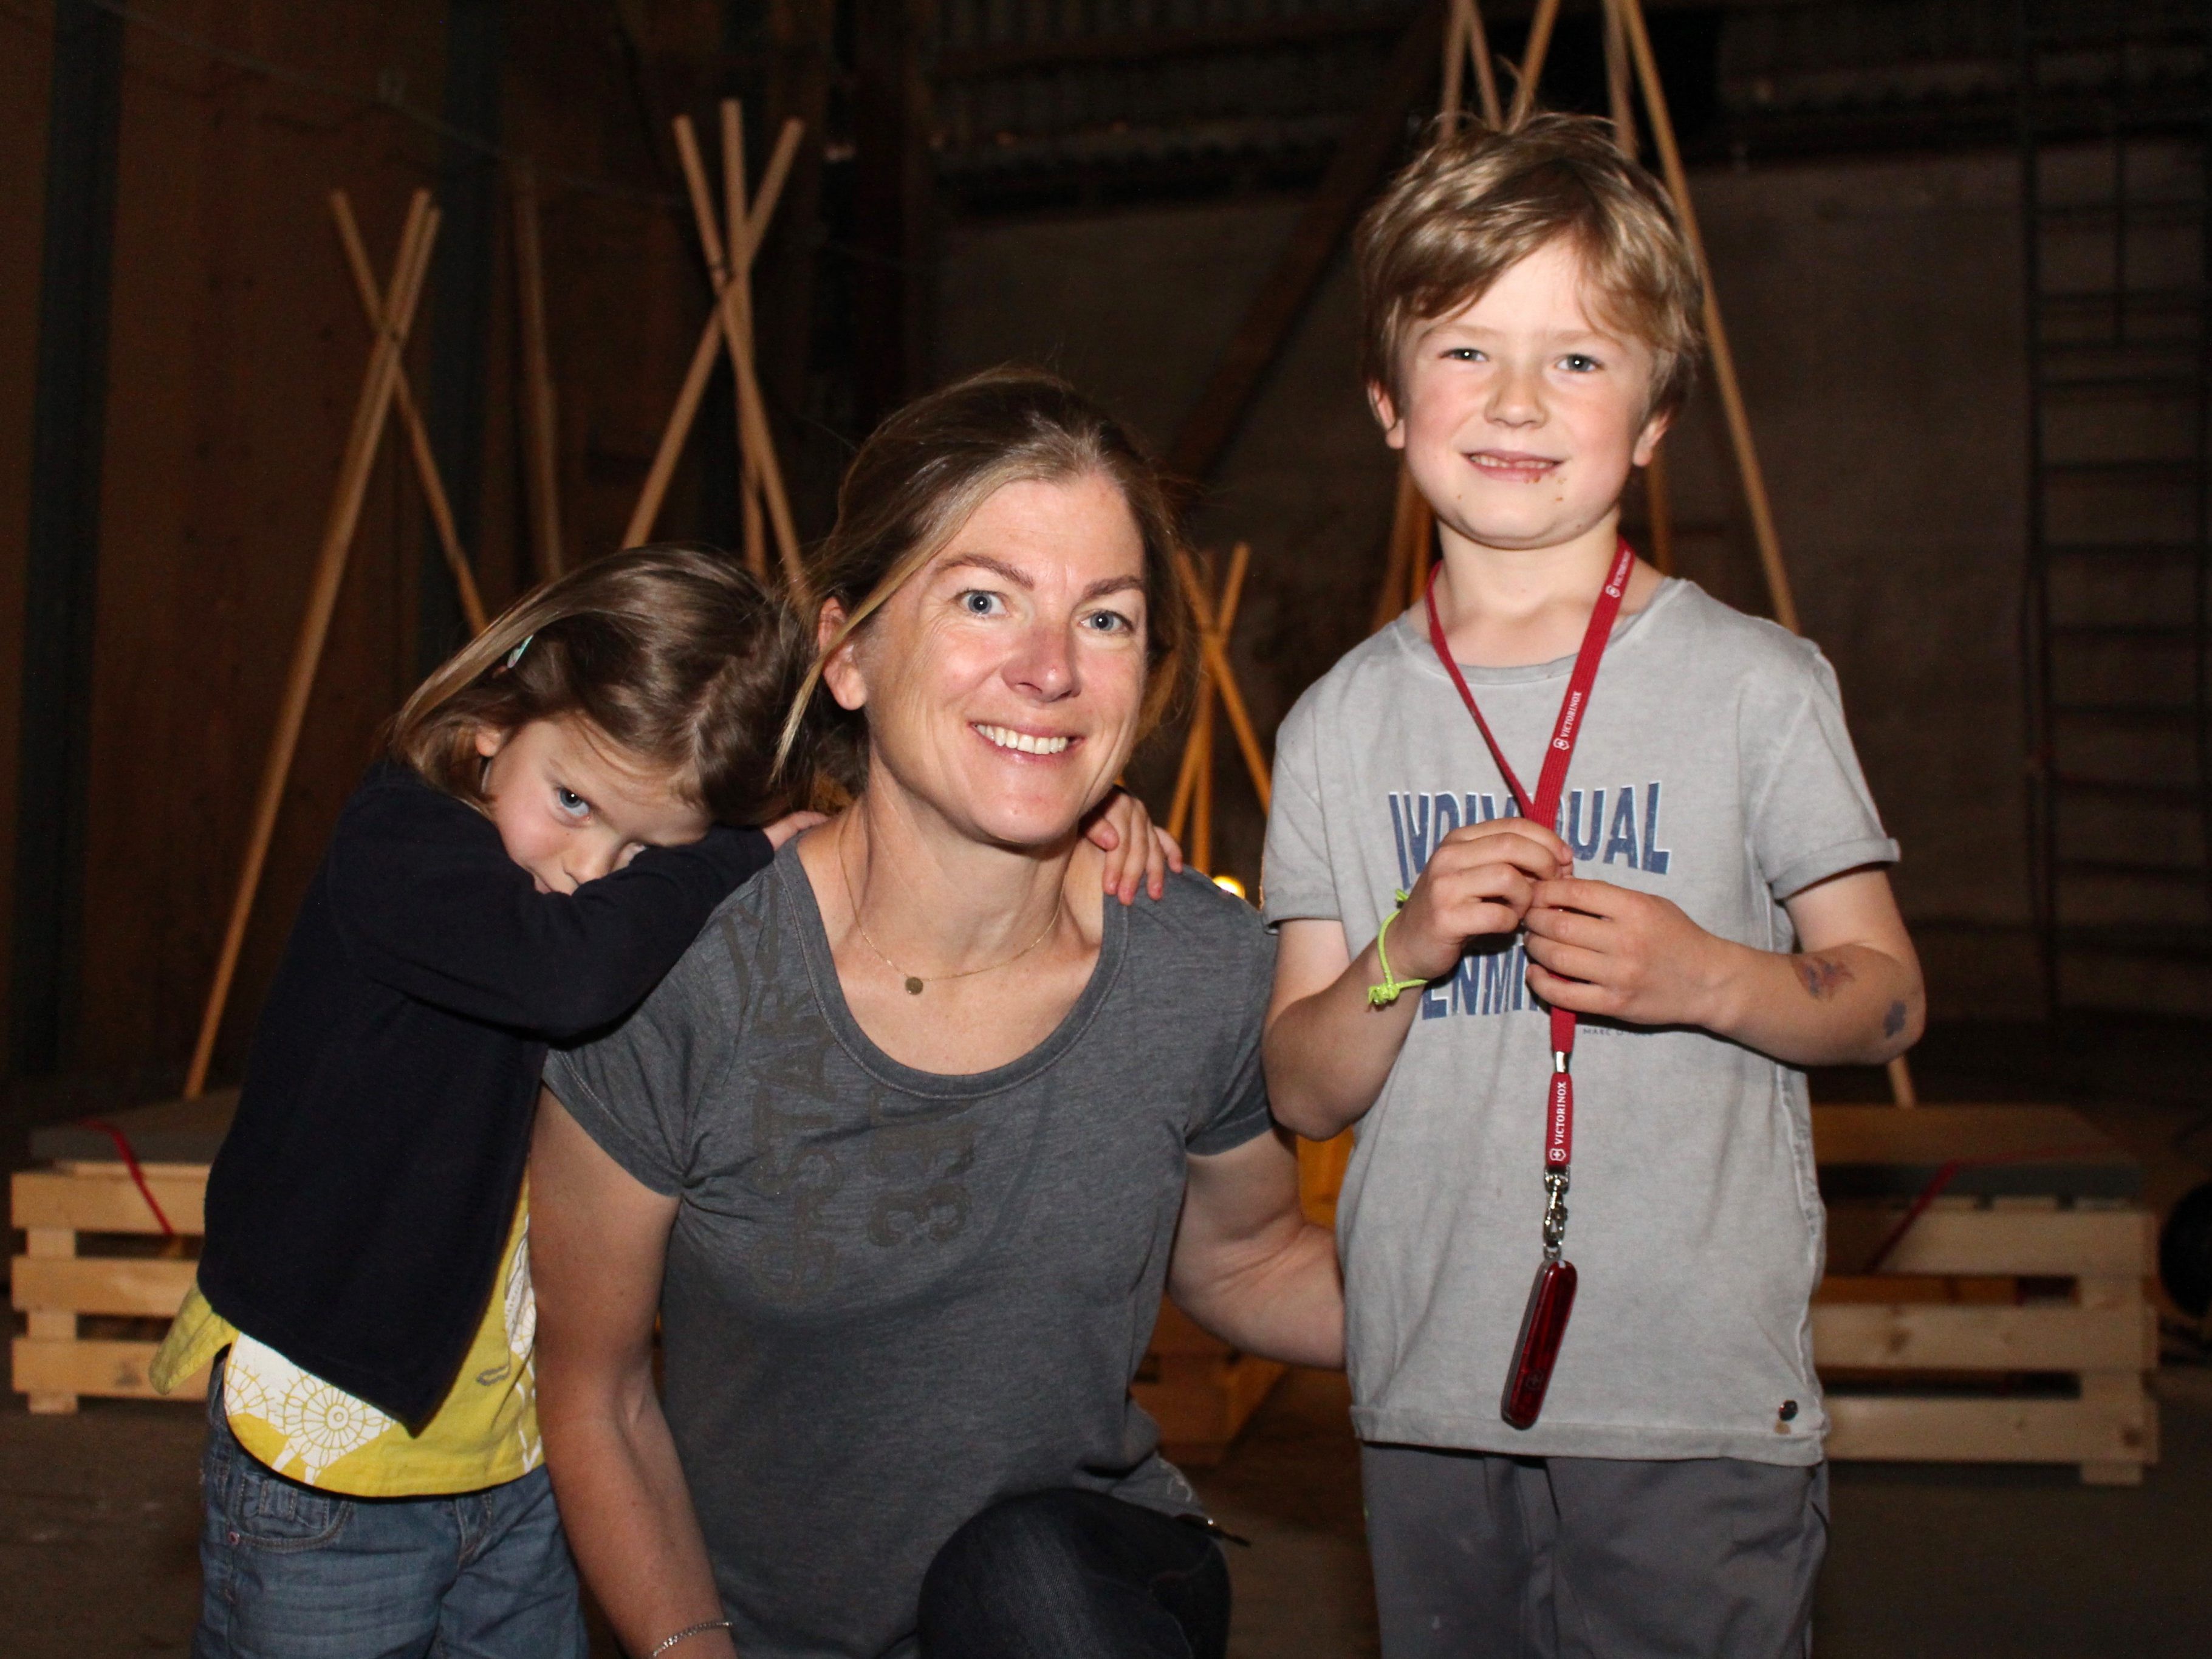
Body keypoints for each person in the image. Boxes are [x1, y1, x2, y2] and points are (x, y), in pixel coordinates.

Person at [152, 541, 1183, 1659]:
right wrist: (713, 859)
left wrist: (1080, 809)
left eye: (646, 845)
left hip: (517, 1468)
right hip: (330, 1466)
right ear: (497, 719)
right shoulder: (402, 840)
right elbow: (565, 969)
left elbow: (878, 807)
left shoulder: (597, 865)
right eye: (574, 800)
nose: (590, 867)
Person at [530, 368, 1344, 1659]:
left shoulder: (1195, 962)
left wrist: (1541, 1304)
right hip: (752, 1634)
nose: (1050, 672)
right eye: (983, 600)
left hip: (1085, 1595)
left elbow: (1247, 1260)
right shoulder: (685, 972)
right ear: (847, 653)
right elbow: (593, 1386)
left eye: (1109, 620)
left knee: (1026, 1578)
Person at [1261, 115, 1925, 1658]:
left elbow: (1883, 993)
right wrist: (1402, 948)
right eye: (1467, 350)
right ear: (1386, 403)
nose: (1514, 400)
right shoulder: (1339, 721)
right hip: (1432, 1386)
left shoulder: (1758, 684)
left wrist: (1714, 978)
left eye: (1577, 359)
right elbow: (1301, 1085)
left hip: (1692, 1392)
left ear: (1652, 419)